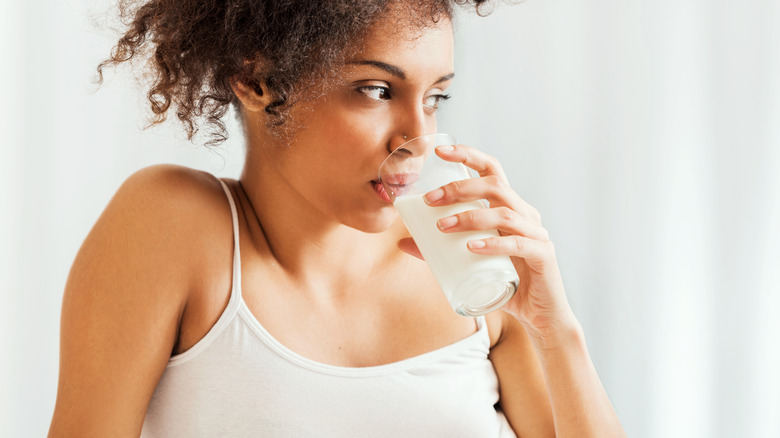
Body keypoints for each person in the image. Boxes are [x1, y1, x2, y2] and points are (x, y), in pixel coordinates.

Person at [48, 0, 626, 436]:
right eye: (376, 90)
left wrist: (557, 330)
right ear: (258, 81)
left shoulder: (469, 266)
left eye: (435, 98)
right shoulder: (175, 228)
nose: (418, 138)